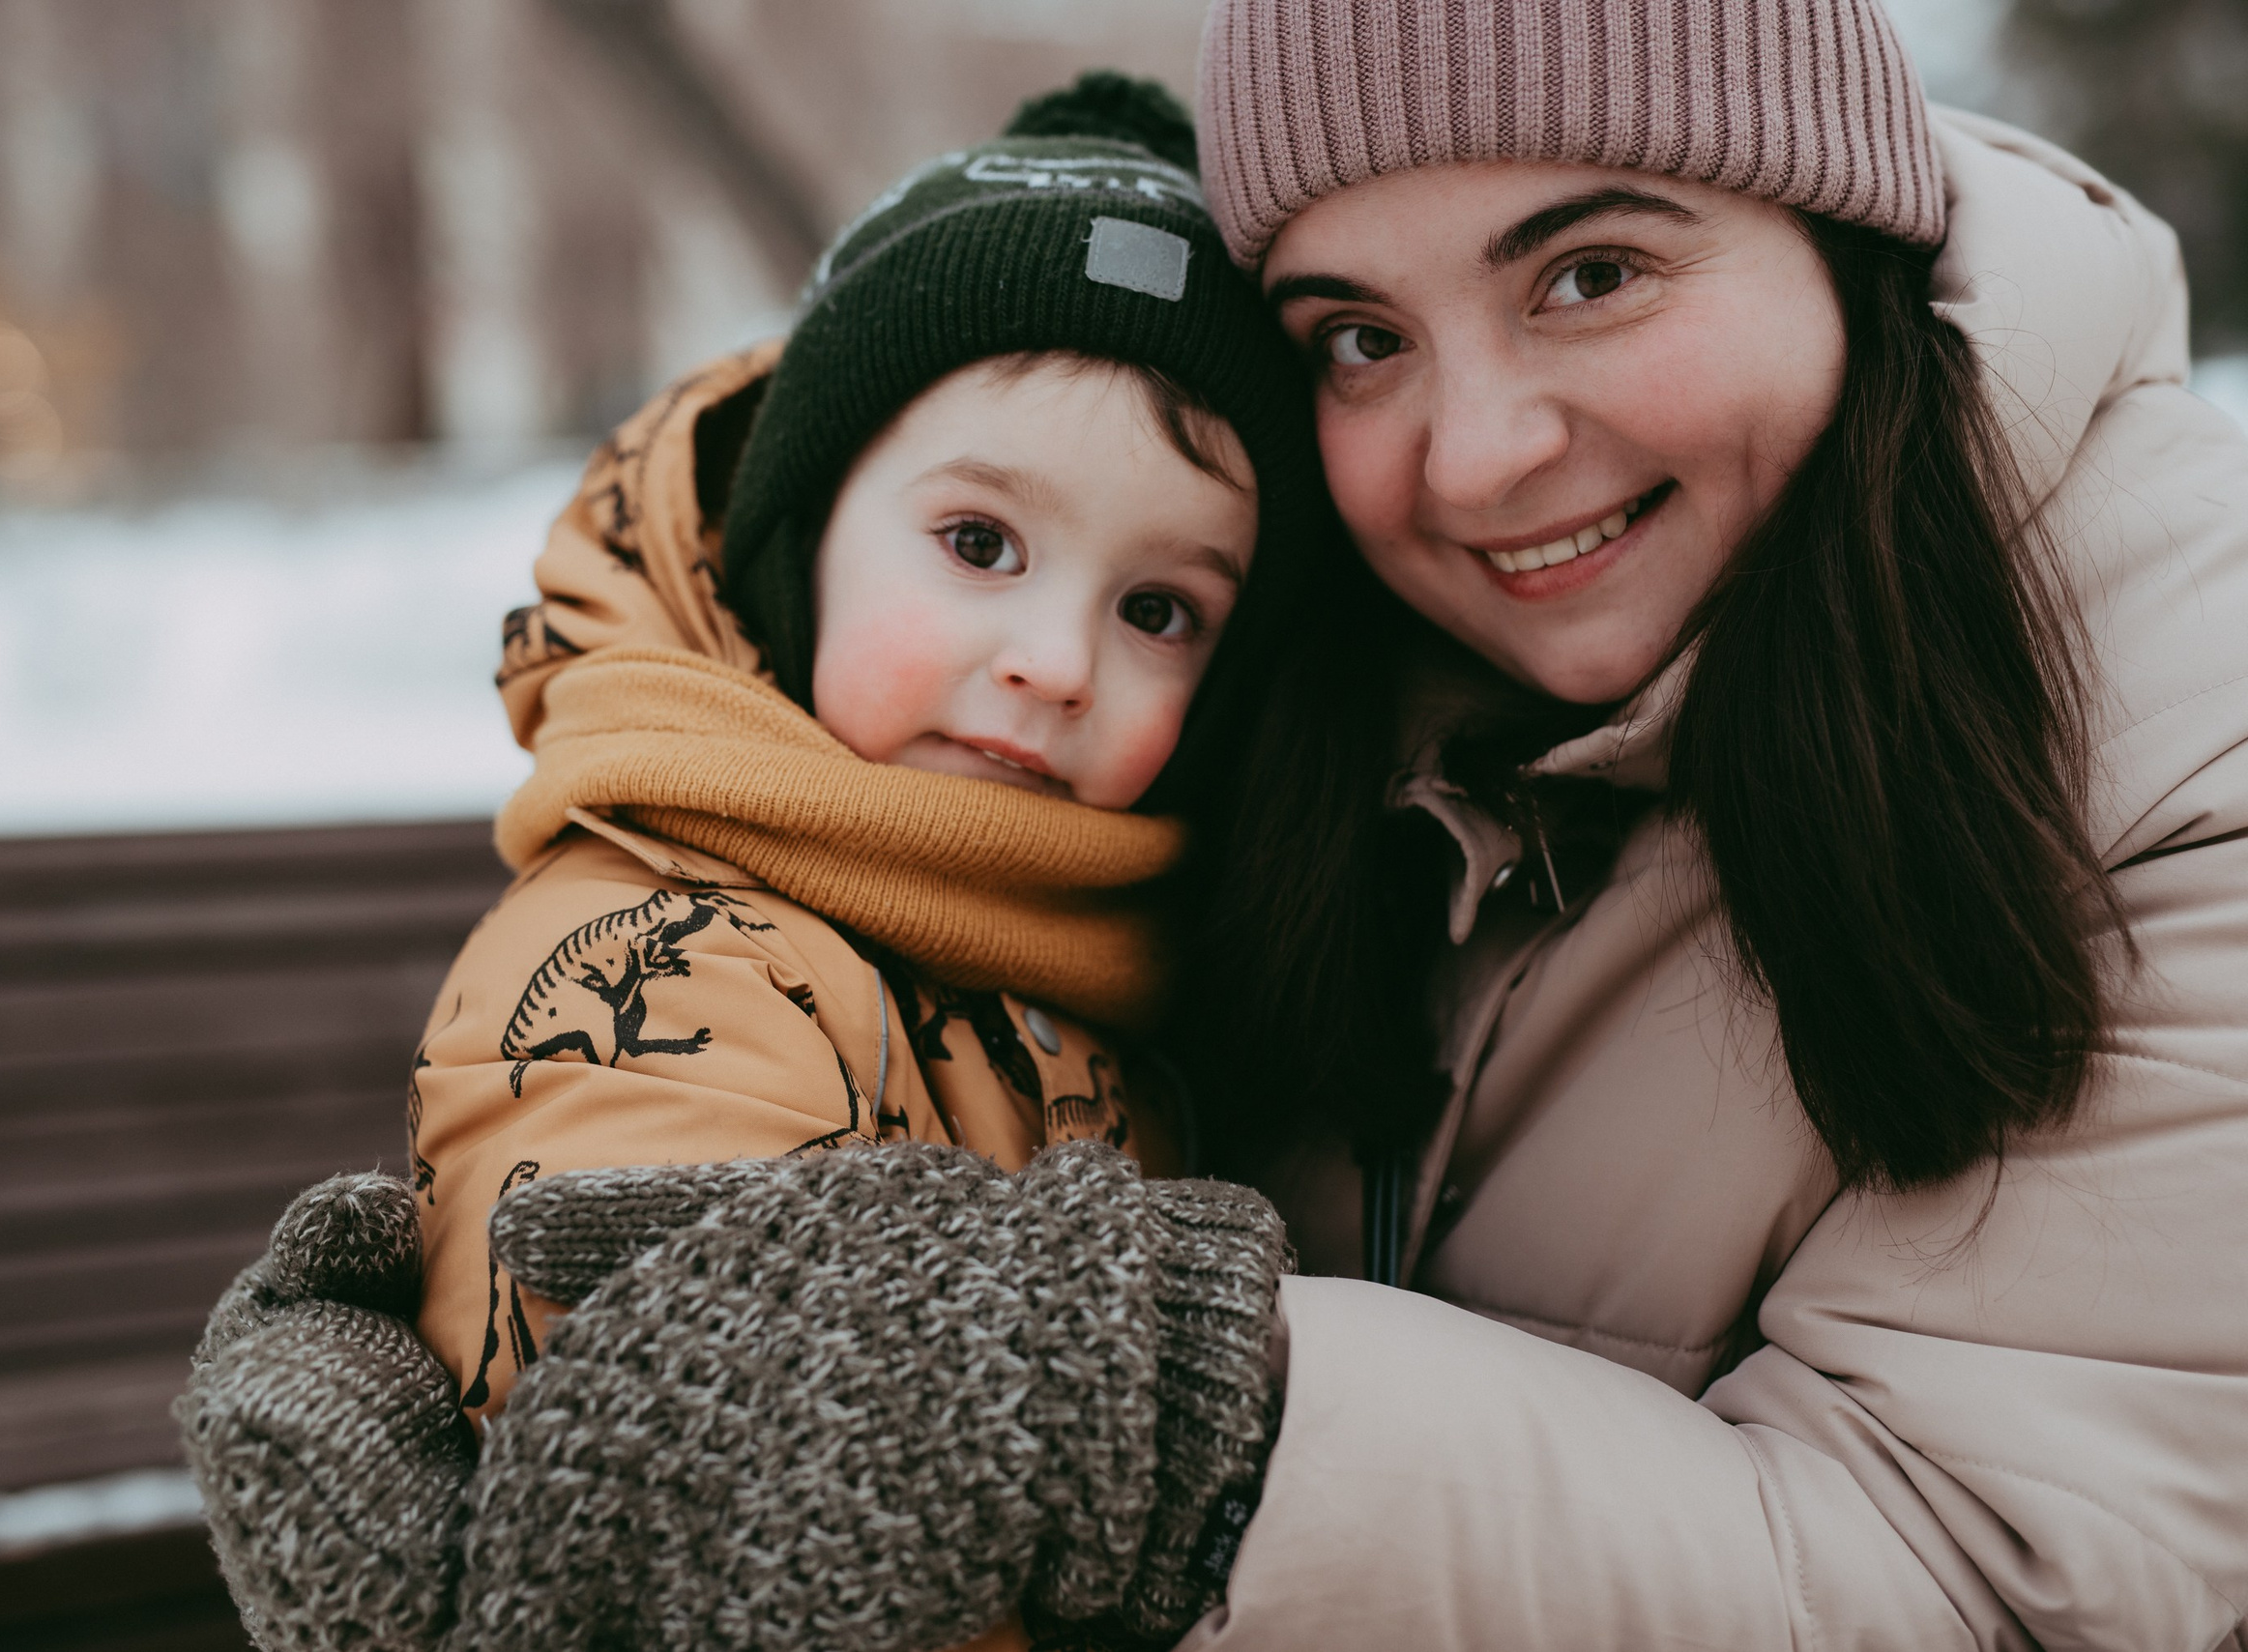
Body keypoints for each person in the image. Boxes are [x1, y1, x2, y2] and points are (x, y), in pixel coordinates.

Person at [181, 75, 1313, 1652]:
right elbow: (666, 1539)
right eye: (980, 543)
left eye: (1159, 608)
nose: (1057, 659)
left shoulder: (1092, 958)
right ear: (799, 535)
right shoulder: (671, 957)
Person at [1166, 0, 2248, 1644]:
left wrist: (1170, 1410)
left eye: (1589, 276)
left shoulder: (2194, 714)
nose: (1473, 460)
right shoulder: (1282, 637)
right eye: (1361, 338)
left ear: (1841, 231)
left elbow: (1985, 1577)